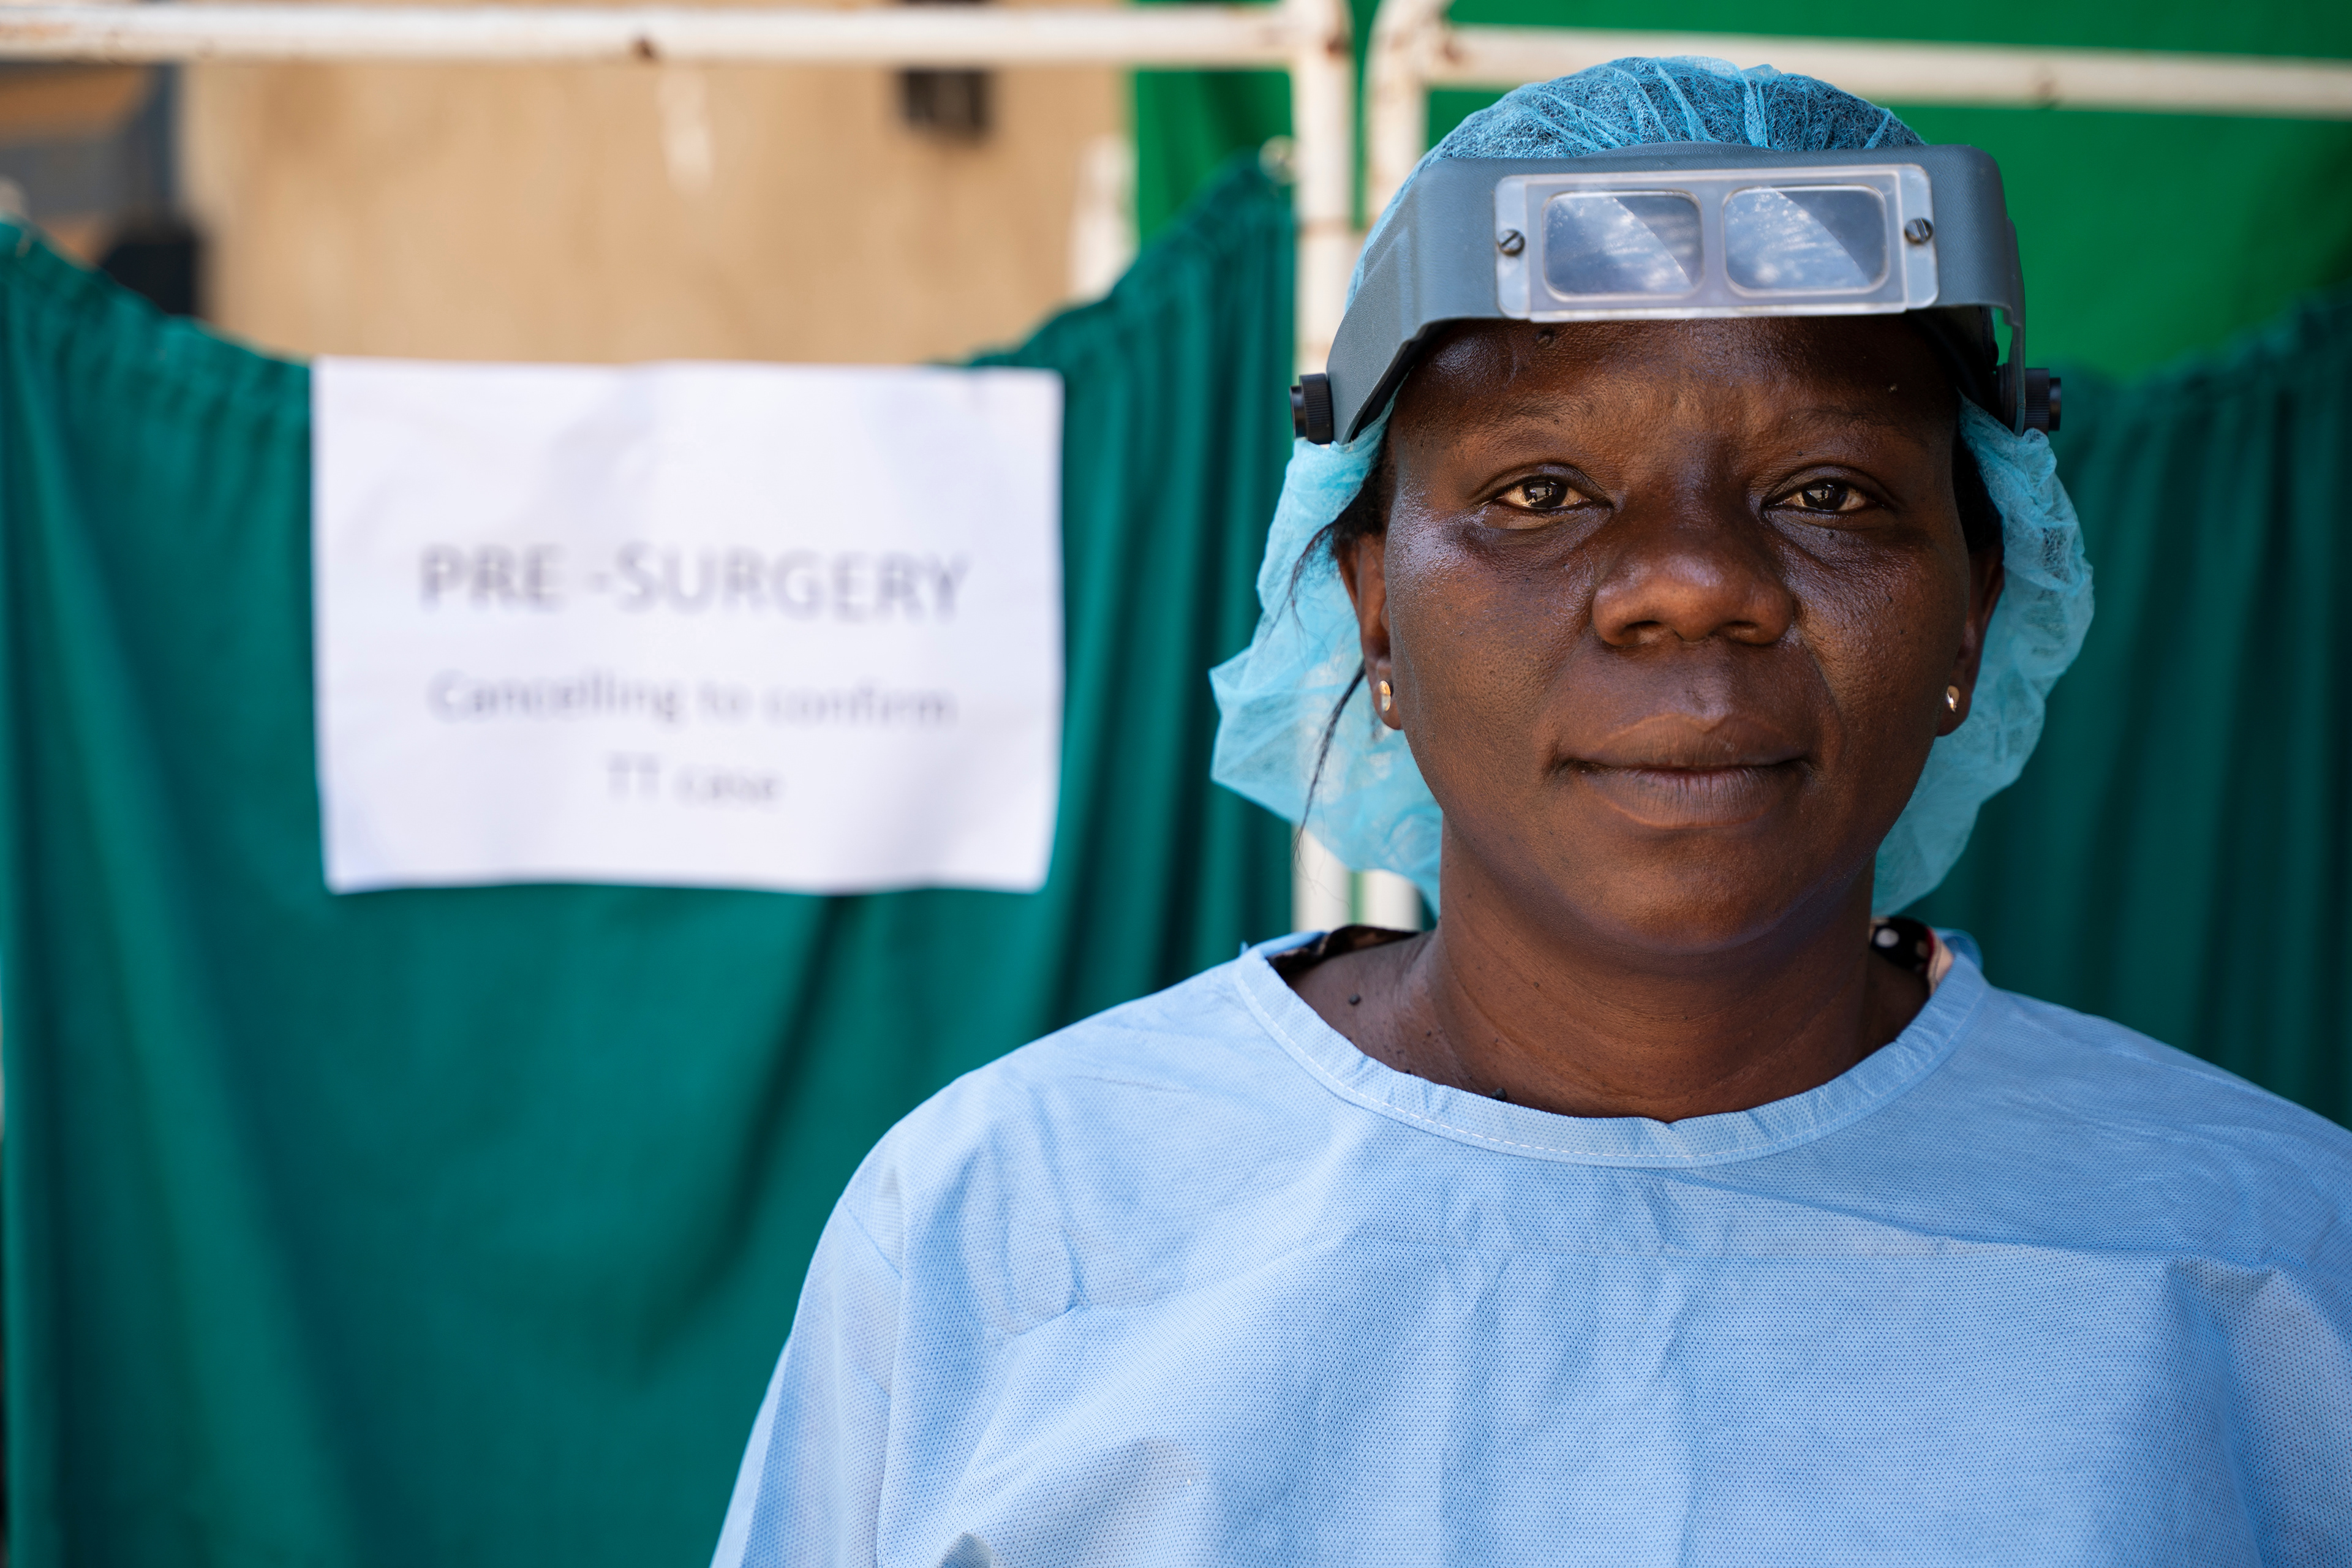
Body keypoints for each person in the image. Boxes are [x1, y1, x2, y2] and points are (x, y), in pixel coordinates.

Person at [714, 61, 2352, 1567]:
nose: (1693, 582)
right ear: (1371, 613)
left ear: (1976, 611)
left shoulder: (2272, 1257)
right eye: (1539, 494)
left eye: (1828, 493)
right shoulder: (1008, 1224)